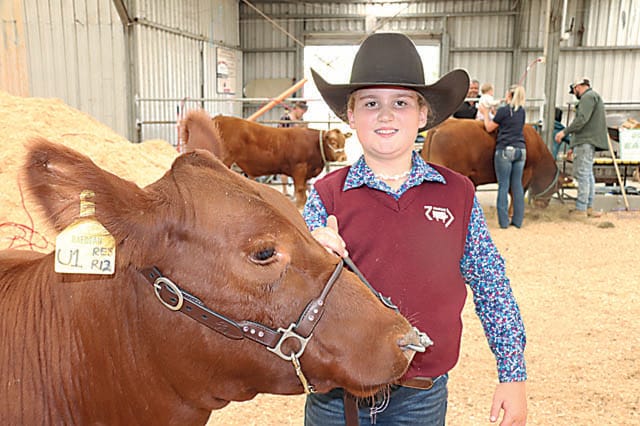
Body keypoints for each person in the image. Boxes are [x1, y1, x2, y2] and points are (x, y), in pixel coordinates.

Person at [306, 32, 527, 426]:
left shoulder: (457, 194)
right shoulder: (325, 196)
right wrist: (310, 255)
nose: (385, 115)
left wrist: (513, 374)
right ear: (350, 116)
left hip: (420, 397)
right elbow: (288, 293)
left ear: (423, 115)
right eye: (370, 103)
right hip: (336, 397)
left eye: (401, 103)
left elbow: (491, 284)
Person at [554, 78, 608, 218]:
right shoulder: (594, 97)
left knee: (583, 174)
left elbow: (581, 120)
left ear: (577, 87)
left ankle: (581, 208)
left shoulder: (587, 97)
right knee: (588, 174)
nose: (574, 94)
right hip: (587, 142)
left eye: (574, 91)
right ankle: (588, 206)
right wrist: (573, 145)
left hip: (585, 142)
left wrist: (565, 132)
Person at [479, 85, 527, 229]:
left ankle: (504, 222)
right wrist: (496, 113)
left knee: (503, 185)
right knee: (517, 185)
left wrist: (485, 113)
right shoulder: (522, 111)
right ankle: (518, 221)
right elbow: (508, 120)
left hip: (505, 150)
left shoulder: (504, 111)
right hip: (521, 150)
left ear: (509, 95)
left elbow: (489, 127)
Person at [278, 100, 309, 195]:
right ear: (296, 109)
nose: (302, 113)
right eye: (301, 111)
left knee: (299, 169)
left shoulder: (301, 120)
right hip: (286, 146)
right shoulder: (285, 118)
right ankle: (285, 191)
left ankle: (298, 191)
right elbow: (279, 132)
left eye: (304, 112)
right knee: (284, 169)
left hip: (297, 148)